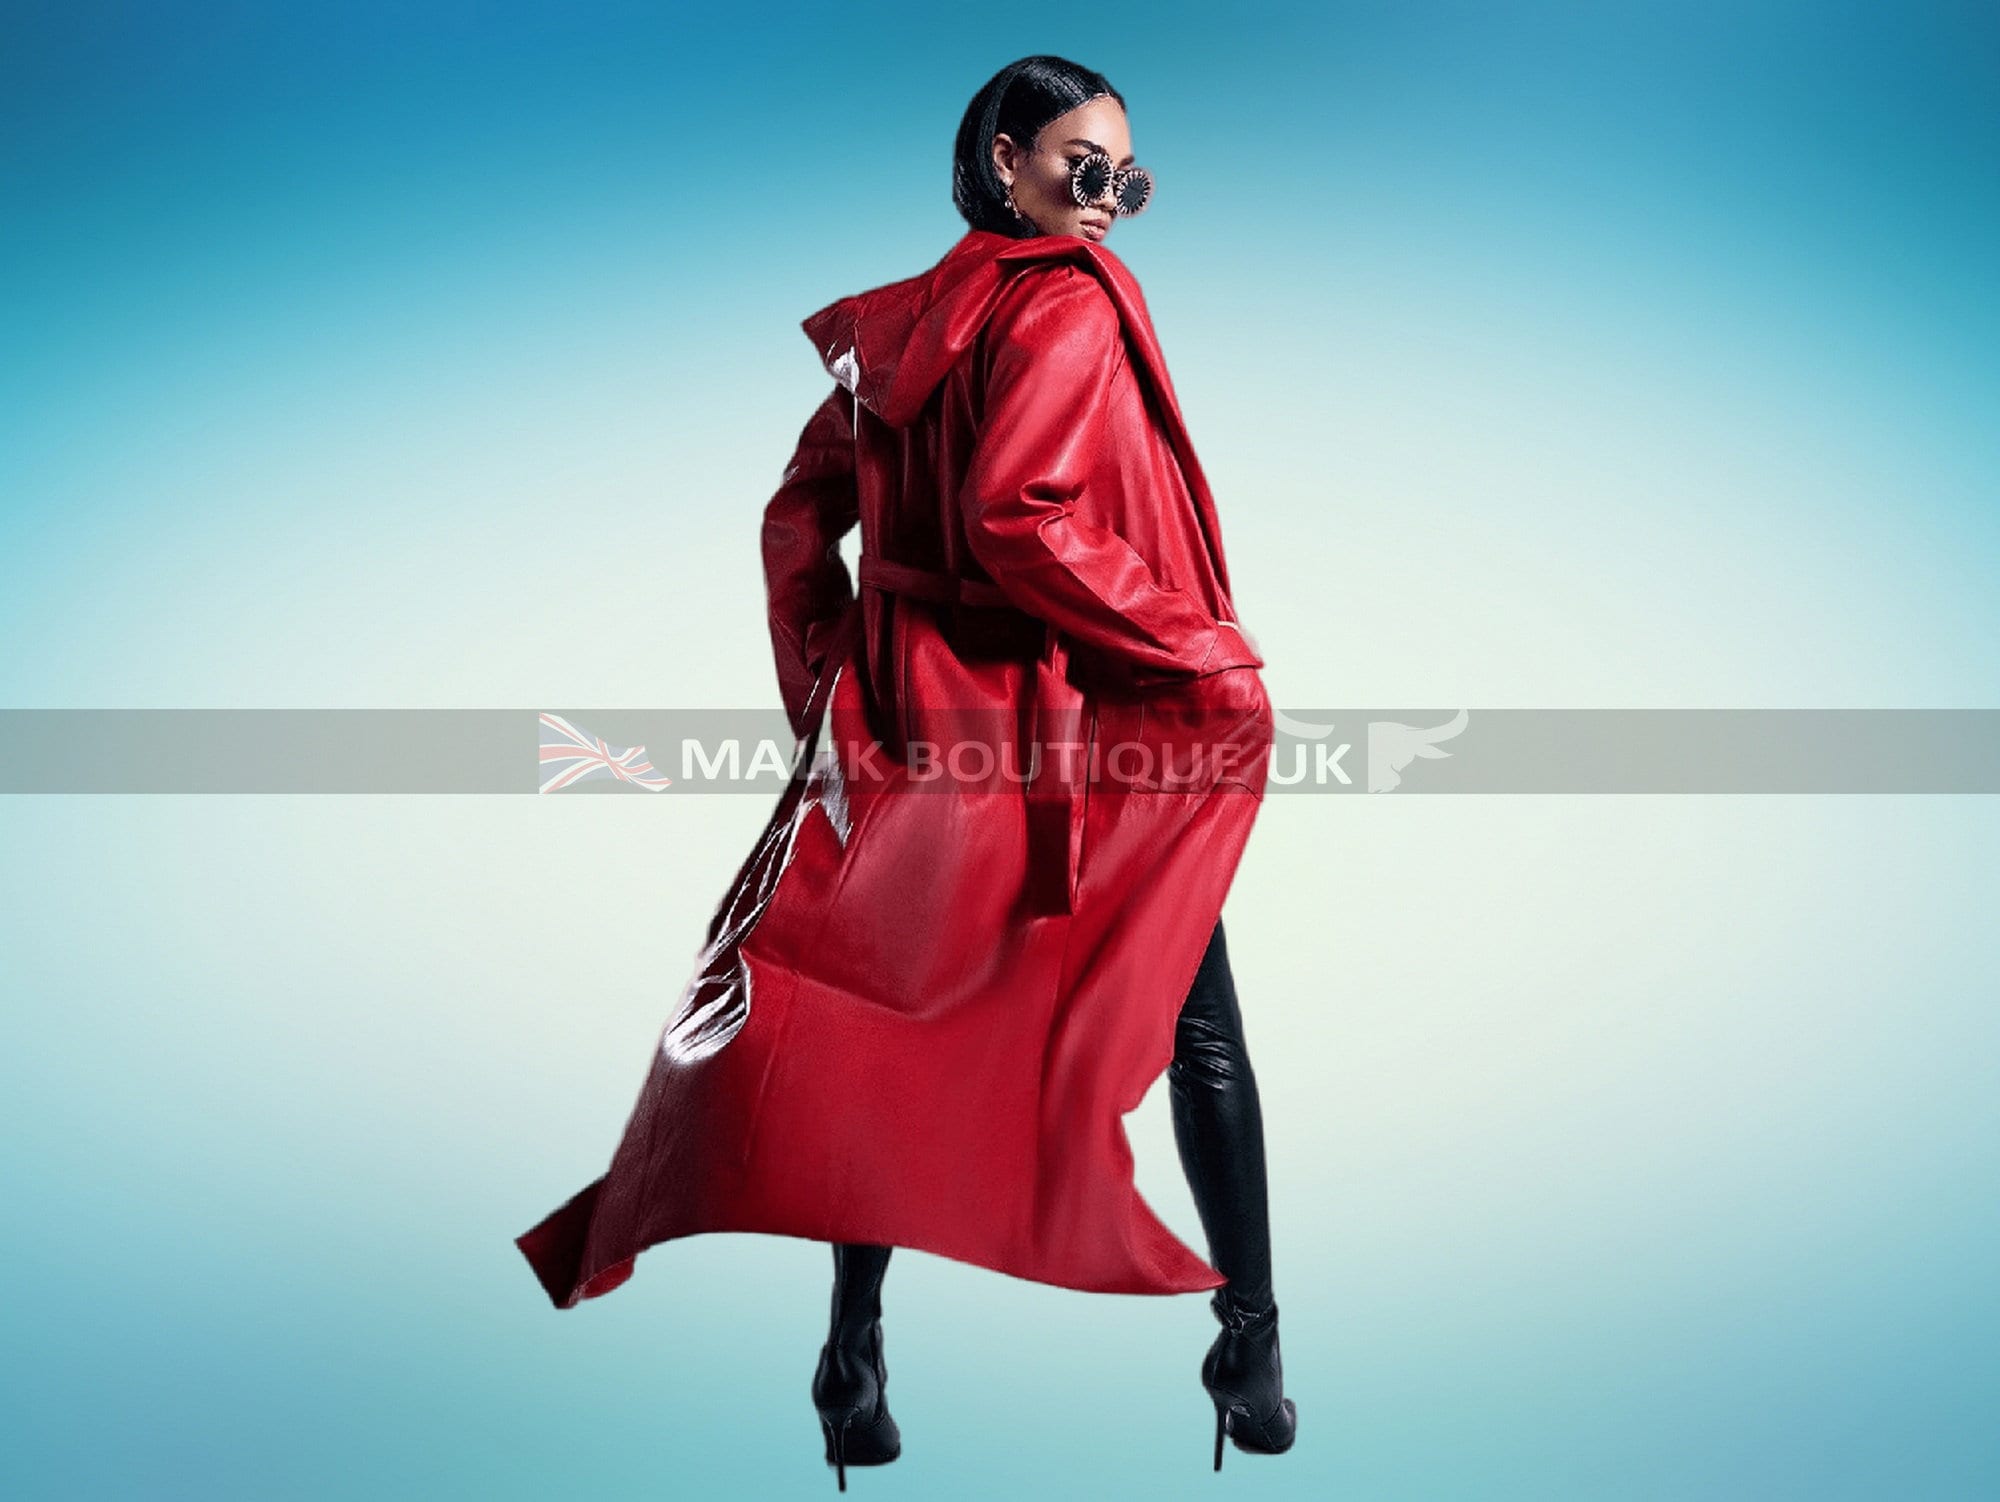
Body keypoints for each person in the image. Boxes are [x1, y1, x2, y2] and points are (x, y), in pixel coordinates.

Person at [514, 54, 1294, 1486]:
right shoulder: (1066, 304)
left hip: (908, 727)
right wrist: (1198, 645)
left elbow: (796, 518)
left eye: (1128, 178)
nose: (1107, 201)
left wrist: (836, 674)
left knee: (876, 1030)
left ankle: (852, 1350)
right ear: (1005, 160)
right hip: (1058, 724)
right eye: (1084, 167)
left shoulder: (897, 327)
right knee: (1199, 1020)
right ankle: (1250, 1345)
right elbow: (1022, 514)